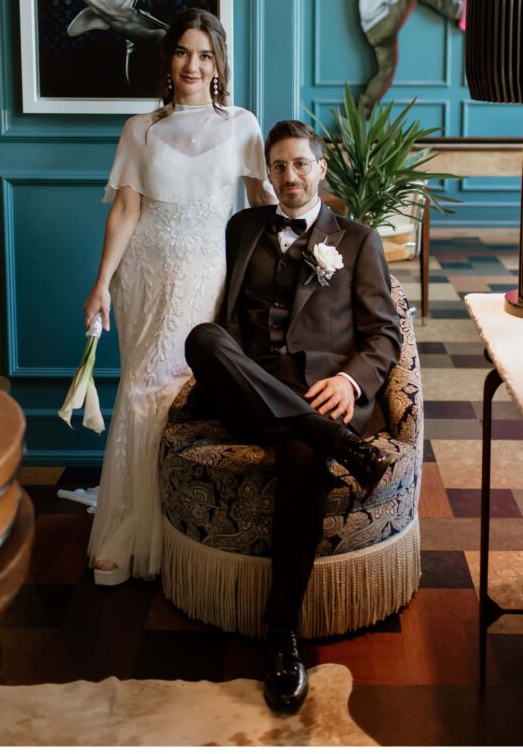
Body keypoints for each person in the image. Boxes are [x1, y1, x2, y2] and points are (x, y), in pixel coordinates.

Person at [184, 120, 402, 713]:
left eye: (300, 164)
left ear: (320, 168)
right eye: (278, 166)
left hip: (321, 397)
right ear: (268, 172)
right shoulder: (242, 228)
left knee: (304, 455)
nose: (289, 177)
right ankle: (339, 444)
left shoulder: (357, 240)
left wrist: (350, 379)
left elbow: (384, 333)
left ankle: (282, 636)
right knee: (202, 340)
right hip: (250, 393)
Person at [84, 9, 275, 586]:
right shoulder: (139, 128)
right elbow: (125, 209)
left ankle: (177, 528)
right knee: (142, 387)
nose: (193, 65)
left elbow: (264, 198)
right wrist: (100, 286)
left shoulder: (243, 124)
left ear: (219, 64)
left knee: (178, 389)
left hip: (206, 271)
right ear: (168, 60)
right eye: (182, 52)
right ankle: (127, 528)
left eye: (205, 55)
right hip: (144, 270)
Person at [358, 0, 462, 112]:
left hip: (373, 28)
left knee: (386, 70)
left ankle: (362, 110)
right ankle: (455, 10)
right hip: (381, 23)